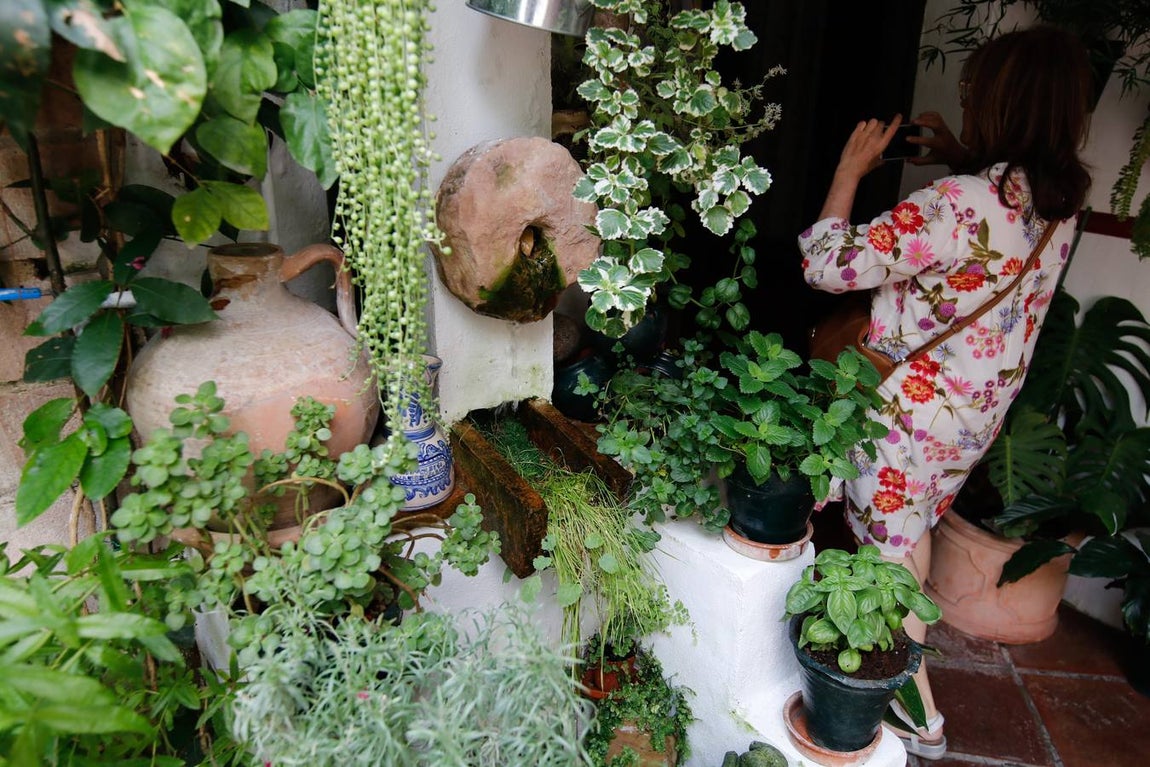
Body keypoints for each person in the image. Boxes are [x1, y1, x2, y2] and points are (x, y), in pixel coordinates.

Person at [797, 25, 1092, 760]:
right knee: (910, 526)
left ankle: (912, 708)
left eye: (975, 89)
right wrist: (959, 150)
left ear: (1001, 103)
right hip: (969, 418)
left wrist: (849, 169)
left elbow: (829, 267)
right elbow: (997, 217)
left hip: (906, 414)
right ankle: (904, 670)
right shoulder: (1059, 206)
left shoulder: (956, 203)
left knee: (888, 551)